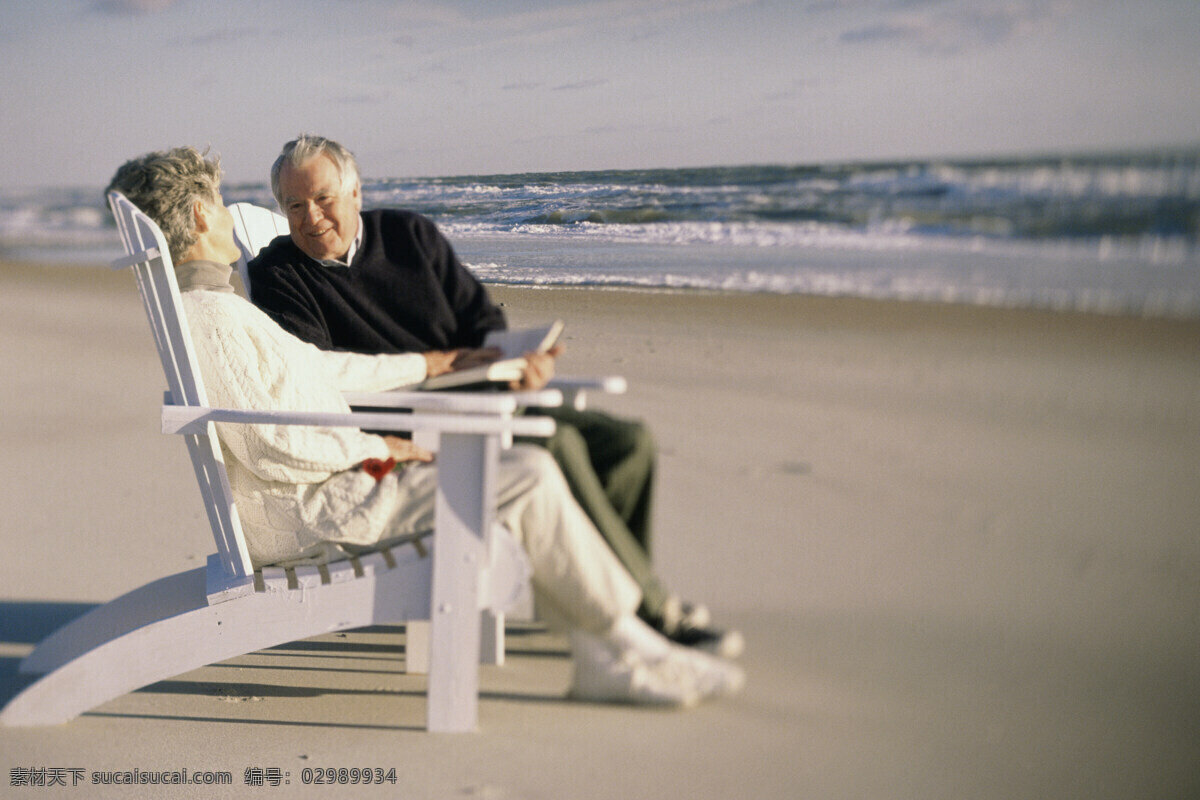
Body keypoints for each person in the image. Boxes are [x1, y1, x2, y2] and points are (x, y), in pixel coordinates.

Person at [107, 146, 743, 708]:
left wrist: (429, 364)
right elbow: (273, 438)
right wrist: (378, 446)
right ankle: (618, 647)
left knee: (539, 464)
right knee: (526, 474)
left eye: (324, 199)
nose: (228, 216)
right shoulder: (217, 317)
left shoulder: (222, 309)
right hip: (313, 505)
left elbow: (323, 372)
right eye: (219, 205)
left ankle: (613, 638)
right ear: (197, 217)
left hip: (330, 479)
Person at [247, 135, 741, 657]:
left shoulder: (411, 236)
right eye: (294, 206)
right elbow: (322, 379)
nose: (311, 217)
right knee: (557, 448)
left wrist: (523, 364)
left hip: (488, 402)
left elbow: (482, 325)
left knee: (628, 443)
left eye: (323, 198)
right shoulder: (279, 276)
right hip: (408, 431)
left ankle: (613, 592)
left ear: (355, 193)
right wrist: (429, 371)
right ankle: (650, 612)